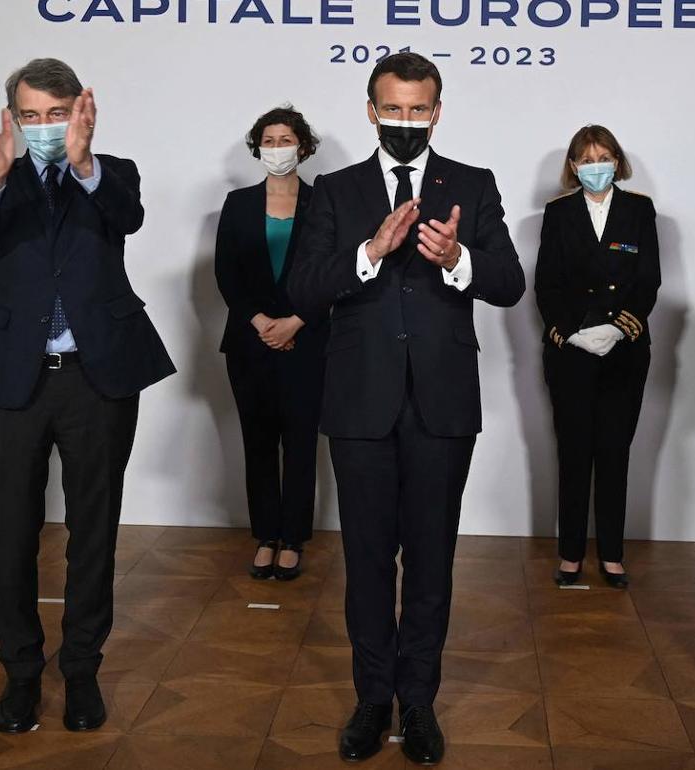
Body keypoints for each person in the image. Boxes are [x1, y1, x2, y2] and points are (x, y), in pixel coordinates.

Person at [289, 53, 524, 766]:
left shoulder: (473, 186)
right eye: (393, 108)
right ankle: (371, 700)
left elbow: (510, 283)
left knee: (430, 562)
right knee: (366, 562)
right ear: (370, 109)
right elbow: (303, 290)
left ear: (438, 111)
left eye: (419, 109)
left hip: (442, 405)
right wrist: (369, 250)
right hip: (360, 402)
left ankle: (417, 702)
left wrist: (458, 259)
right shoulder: (335, 190)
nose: (405, 120)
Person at [0, 58, 175, 734]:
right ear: (14, 118)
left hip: (94, 377)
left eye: (56, 113)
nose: (44, 127)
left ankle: (81, 671)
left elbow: (126, 218)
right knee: (9, 535)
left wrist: (82, 164)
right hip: (7, 383)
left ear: (81, 110)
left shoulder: (113, 173)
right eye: (32, 115)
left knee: (93, 533)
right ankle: (21, 674)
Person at [534, 125, 660, 589]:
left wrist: (616, 329)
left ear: (618, 160)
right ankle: (570, 554)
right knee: (572, 453)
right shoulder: (558, 213)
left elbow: (648, 279)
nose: (595, 166)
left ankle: (611, 553)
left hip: (624, 352)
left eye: (603, 156)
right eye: (586, 159)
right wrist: (572, 333)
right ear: (573, 166)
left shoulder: (639, 210)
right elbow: (546, 282)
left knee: (614, 452)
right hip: (571, 353)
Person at [215, 106, 325, 581]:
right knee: (257, 441)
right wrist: (262, 322)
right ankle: (266, 535)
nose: (277, 148)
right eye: (269, 140)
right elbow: (225, 273)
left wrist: (295, 321)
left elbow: (334, 276)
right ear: (257, 147)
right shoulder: (237, 203)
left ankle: (294, 538)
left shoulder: (326, 203)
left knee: (300, 443)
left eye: (286, 139)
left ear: (303, 146)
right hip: (249, 342)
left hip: (308, 339)